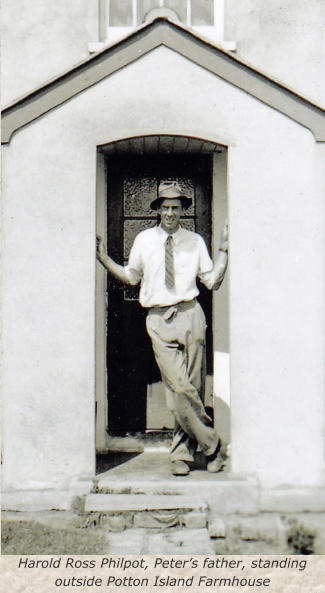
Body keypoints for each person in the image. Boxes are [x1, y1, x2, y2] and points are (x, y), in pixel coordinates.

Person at [97, 181, 228, 476]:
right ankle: (212, 446)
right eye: (165, 208)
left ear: (182, 211)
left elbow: (212, 281)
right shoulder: (144, 240)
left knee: (192, 388)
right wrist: (104, 259)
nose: (170, 213)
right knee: (179, 388)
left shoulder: (194, 242)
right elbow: (131, 277)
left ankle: (181, 455)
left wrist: (224, 251)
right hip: (158, 320)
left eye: (176, 208)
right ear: (158, 211)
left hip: (191, 315)